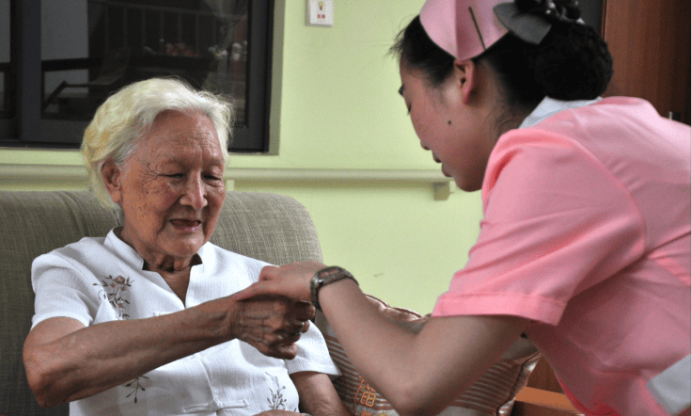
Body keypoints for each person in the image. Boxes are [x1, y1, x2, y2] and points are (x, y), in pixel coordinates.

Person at [234, 1, 692, 415]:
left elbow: (416, 384)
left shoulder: (556, 159)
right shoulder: (615, 129)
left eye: (410, 102)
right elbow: (454, 351)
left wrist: (324, 281)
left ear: (463, 77)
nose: (418, 136)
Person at [22, 78, 349, 416]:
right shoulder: (75, 270)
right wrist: (228, 319)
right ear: (113, 179)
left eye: (211, 176)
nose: (197, 198)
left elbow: (326, 406)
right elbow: (48, 373)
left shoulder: (263, 280)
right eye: (174, 174)